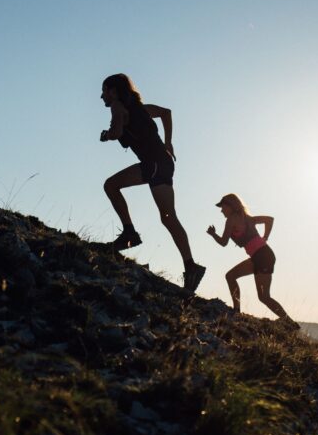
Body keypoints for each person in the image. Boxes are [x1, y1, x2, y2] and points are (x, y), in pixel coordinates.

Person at [99, 73, 206, 293]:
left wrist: (107, 135)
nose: (102, 96)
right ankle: (188, 265)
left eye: (105, 91)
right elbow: (166, 113)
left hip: (155, 164)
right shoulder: (141, 108)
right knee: (164, 215)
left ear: (114, 91)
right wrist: (168, 143)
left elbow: (117, 131)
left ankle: (132, 235)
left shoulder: (118, 107)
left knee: (164, 215)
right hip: (157, 164)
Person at [207, 193, 293, 322]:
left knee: (263, 296)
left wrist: (213, 234)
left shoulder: (231, 219)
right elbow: (269, 220)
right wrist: (265, 238)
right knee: (234, 278)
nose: (221, 210)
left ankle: (289, 322)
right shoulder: (248, 218)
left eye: (223, 207)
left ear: (230, 206)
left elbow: (224, 243)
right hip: (263, 255)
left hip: (262, 257)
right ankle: (289, 323)